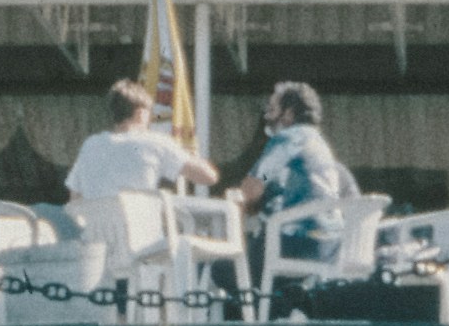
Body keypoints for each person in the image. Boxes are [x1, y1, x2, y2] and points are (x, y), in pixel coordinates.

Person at [231, 81, 361, 271]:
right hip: (329, 249)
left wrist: (248, 197)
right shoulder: (320, 146)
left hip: (295, 245)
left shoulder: (290, 139)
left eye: (272, 109)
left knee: (220, 268)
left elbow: (253, 187)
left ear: (289, 114)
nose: (267, 116)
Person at [66, 80, 207, 201]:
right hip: (143, 231)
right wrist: (188, 155)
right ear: (140, 114)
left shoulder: (91, 145)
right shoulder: (155, 142)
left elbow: (75, 197)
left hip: (96, 231)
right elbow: (208, 177)